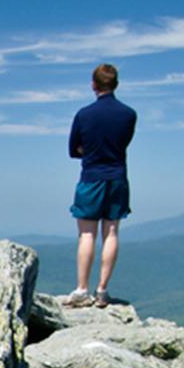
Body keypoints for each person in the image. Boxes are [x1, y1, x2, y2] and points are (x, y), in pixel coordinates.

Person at [65, 63, 136, 308]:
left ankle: (82, 289)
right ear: (115, 84)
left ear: (93, 84)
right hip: (117, 177)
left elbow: (73, 149)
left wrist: (89, 150)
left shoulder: (84, 114)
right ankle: (102, 290)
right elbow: (123, 143)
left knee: (87, 233)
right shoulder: (128, 114)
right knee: (111, 232)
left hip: (91, 176)